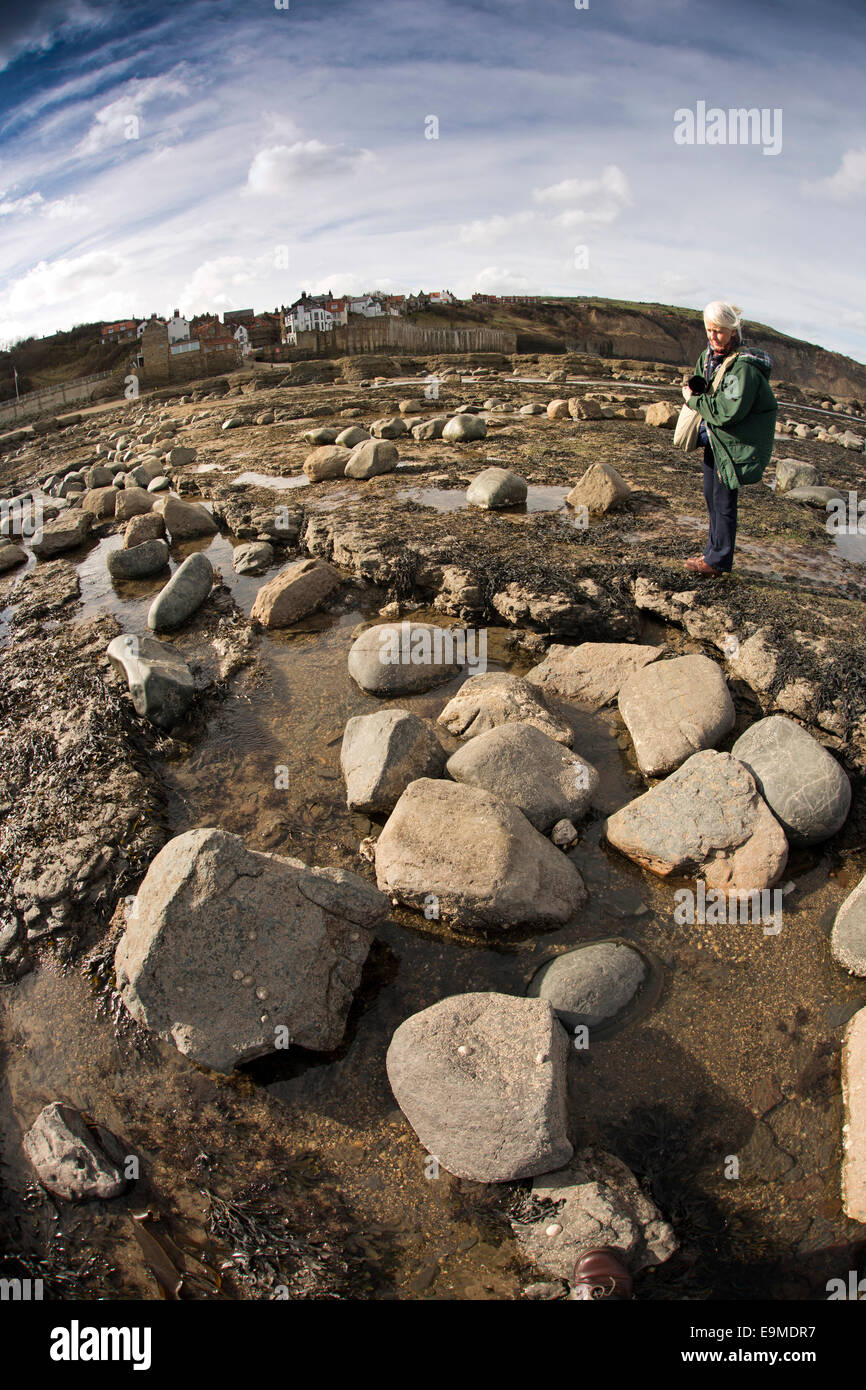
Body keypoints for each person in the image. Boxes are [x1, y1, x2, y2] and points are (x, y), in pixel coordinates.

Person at [682, 301, 778, 577]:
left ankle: (718, 561)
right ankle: (712, 553)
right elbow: (705, 384)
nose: (713, 337)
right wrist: (695, 388)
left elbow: (727, 412)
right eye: (709, 330)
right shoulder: (710, 357)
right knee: (710, 496)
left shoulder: (744, 368)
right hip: (716, 439)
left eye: (719, 332)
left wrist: (693, 400)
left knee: (724, 502)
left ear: (733, 331)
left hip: (733, 443)